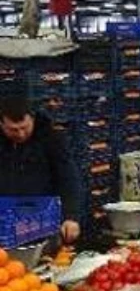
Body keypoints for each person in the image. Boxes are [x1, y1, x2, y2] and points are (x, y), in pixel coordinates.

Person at [0, 96, 82, 244]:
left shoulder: (51, 138)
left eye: (25, 127)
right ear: (1, 124)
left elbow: (68, 178)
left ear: (32, 119)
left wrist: (71, 216)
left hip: (42, 219)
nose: (20, 134)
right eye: (13, 130)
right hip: (5, 219)